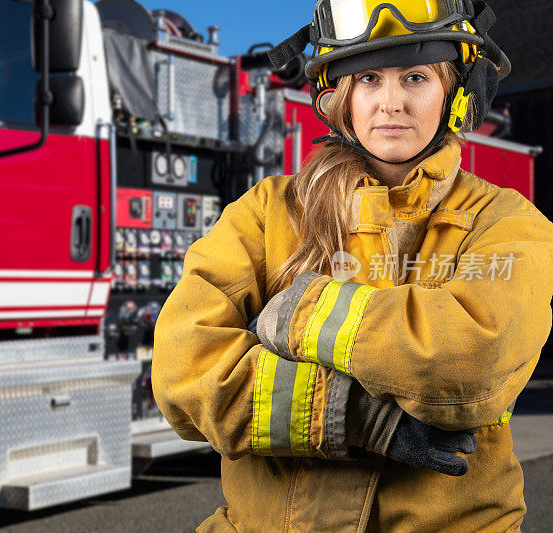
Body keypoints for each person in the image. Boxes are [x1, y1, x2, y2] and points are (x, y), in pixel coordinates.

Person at [151, 1, 553, 531]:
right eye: (368, 79)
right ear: (339, 99)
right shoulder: (268, 212)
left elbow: (473, 359)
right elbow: (183, 371)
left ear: (456, 93)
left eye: (415, 77)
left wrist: (301, 313)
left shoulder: (505, 221)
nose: (392, 103)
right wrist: (362, 416)